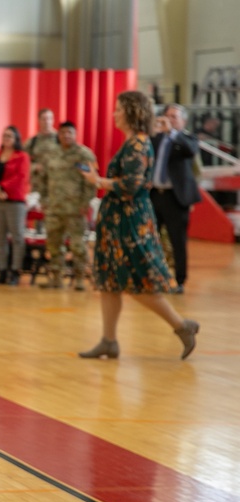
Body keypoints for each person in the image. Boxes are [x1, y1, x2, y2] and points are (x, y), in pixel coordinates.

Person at [78, 91, 199, 361]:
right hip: (119, 219)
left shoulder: (138, 145)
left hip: (130, 221)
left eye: (119, 109)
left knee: (137, 282)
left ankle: (181, 326)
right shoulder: (132, 143)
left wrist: (97, 181)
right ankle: (108, 341)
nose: (114, 114)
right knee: (109, 281)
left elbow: (131, 185)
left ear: (131, 113)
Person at [40, 121, 97, 291]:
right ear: (58, 134)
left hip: (75, 209)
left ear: (75, 134)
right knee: (53, 244)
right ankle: (56, 277)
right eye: (63, 132)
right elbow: (42, 179)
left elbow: (91, 182)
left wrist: (85, 203)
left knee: (78, 245)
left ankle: (79, 278)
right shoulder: (51, 154)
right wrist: (43, 200)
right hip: (54, 208)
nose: (66, 136)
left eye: (70, 133)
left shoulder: (83, 154)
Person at [151, 104, 201, 294]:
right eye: (167, 116)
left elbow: (190, 151)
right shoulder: (156, 138)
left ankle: (179, 281)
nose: (169, 120)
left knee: (177, 241)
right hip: (155, 195)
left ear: (183, 121)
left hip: (175, 198)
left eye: (174, 117)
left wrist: (172, 132)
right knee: (152, 239)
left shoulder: (186, 138)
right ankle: (154, 277)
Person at [0, 125, 30, 286]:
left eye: (10, 136)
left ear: (16, 139)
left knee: (17, 237)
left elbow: (20, 177)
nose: (6, 138)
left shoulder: (22, 156)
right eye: (4, 135)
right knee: (0, 237)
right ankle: (2, 271)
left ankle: (15, 271)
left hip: (14, 201)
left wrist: (1, 187)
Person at [27, 108, 58, 199]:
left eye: (49, 118)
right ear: (39, 120)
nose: (47, 122)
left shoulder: (62, 140)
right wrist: (34, 167)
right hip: (38, 188)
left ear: (53, 120)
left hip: (59, 187)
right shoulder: (32, 142)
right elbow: (21, 163)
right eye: (44, 119)